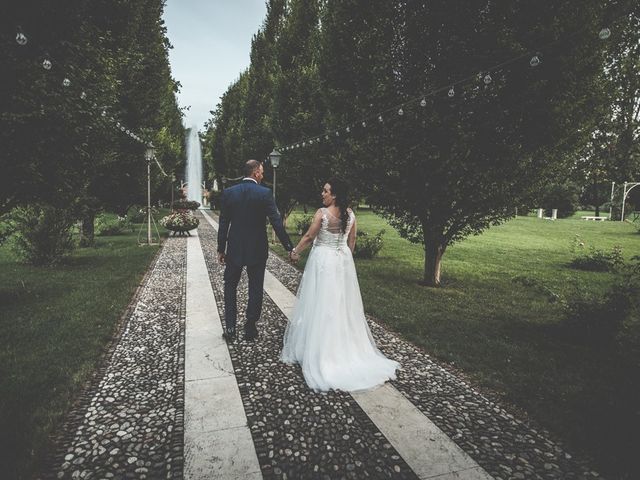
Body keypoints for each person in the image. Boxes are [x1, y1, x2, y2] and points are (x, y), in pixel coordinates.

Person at [281, 178, 399, 391]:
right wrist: (345, 260)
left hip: (324, 260)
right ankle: (344, 347)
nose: (322, 193)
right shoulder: (351, 214)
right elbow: (351, 241)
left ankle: (323, 352)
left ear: (334, 195)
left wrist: (295, 252)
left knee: (321, 303)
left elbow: (309, 236)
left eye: (326, 191)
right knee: (341, 305)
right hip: (341, 260)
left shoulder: (322, 214)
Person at [217, 159, 296, 342]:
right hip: (257, 249)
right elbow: (276, 222)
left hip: (235, 248)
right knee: (255, 288)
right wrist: (289, 247)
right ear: (255, 174)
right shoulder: (265, 193)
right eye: (261, 172)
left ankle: (230, 328)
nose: (263, 175)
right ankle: (250, 328)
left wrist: (222, 248)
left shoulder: (229, 193)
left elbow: (223, 223)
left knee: (230, 286)